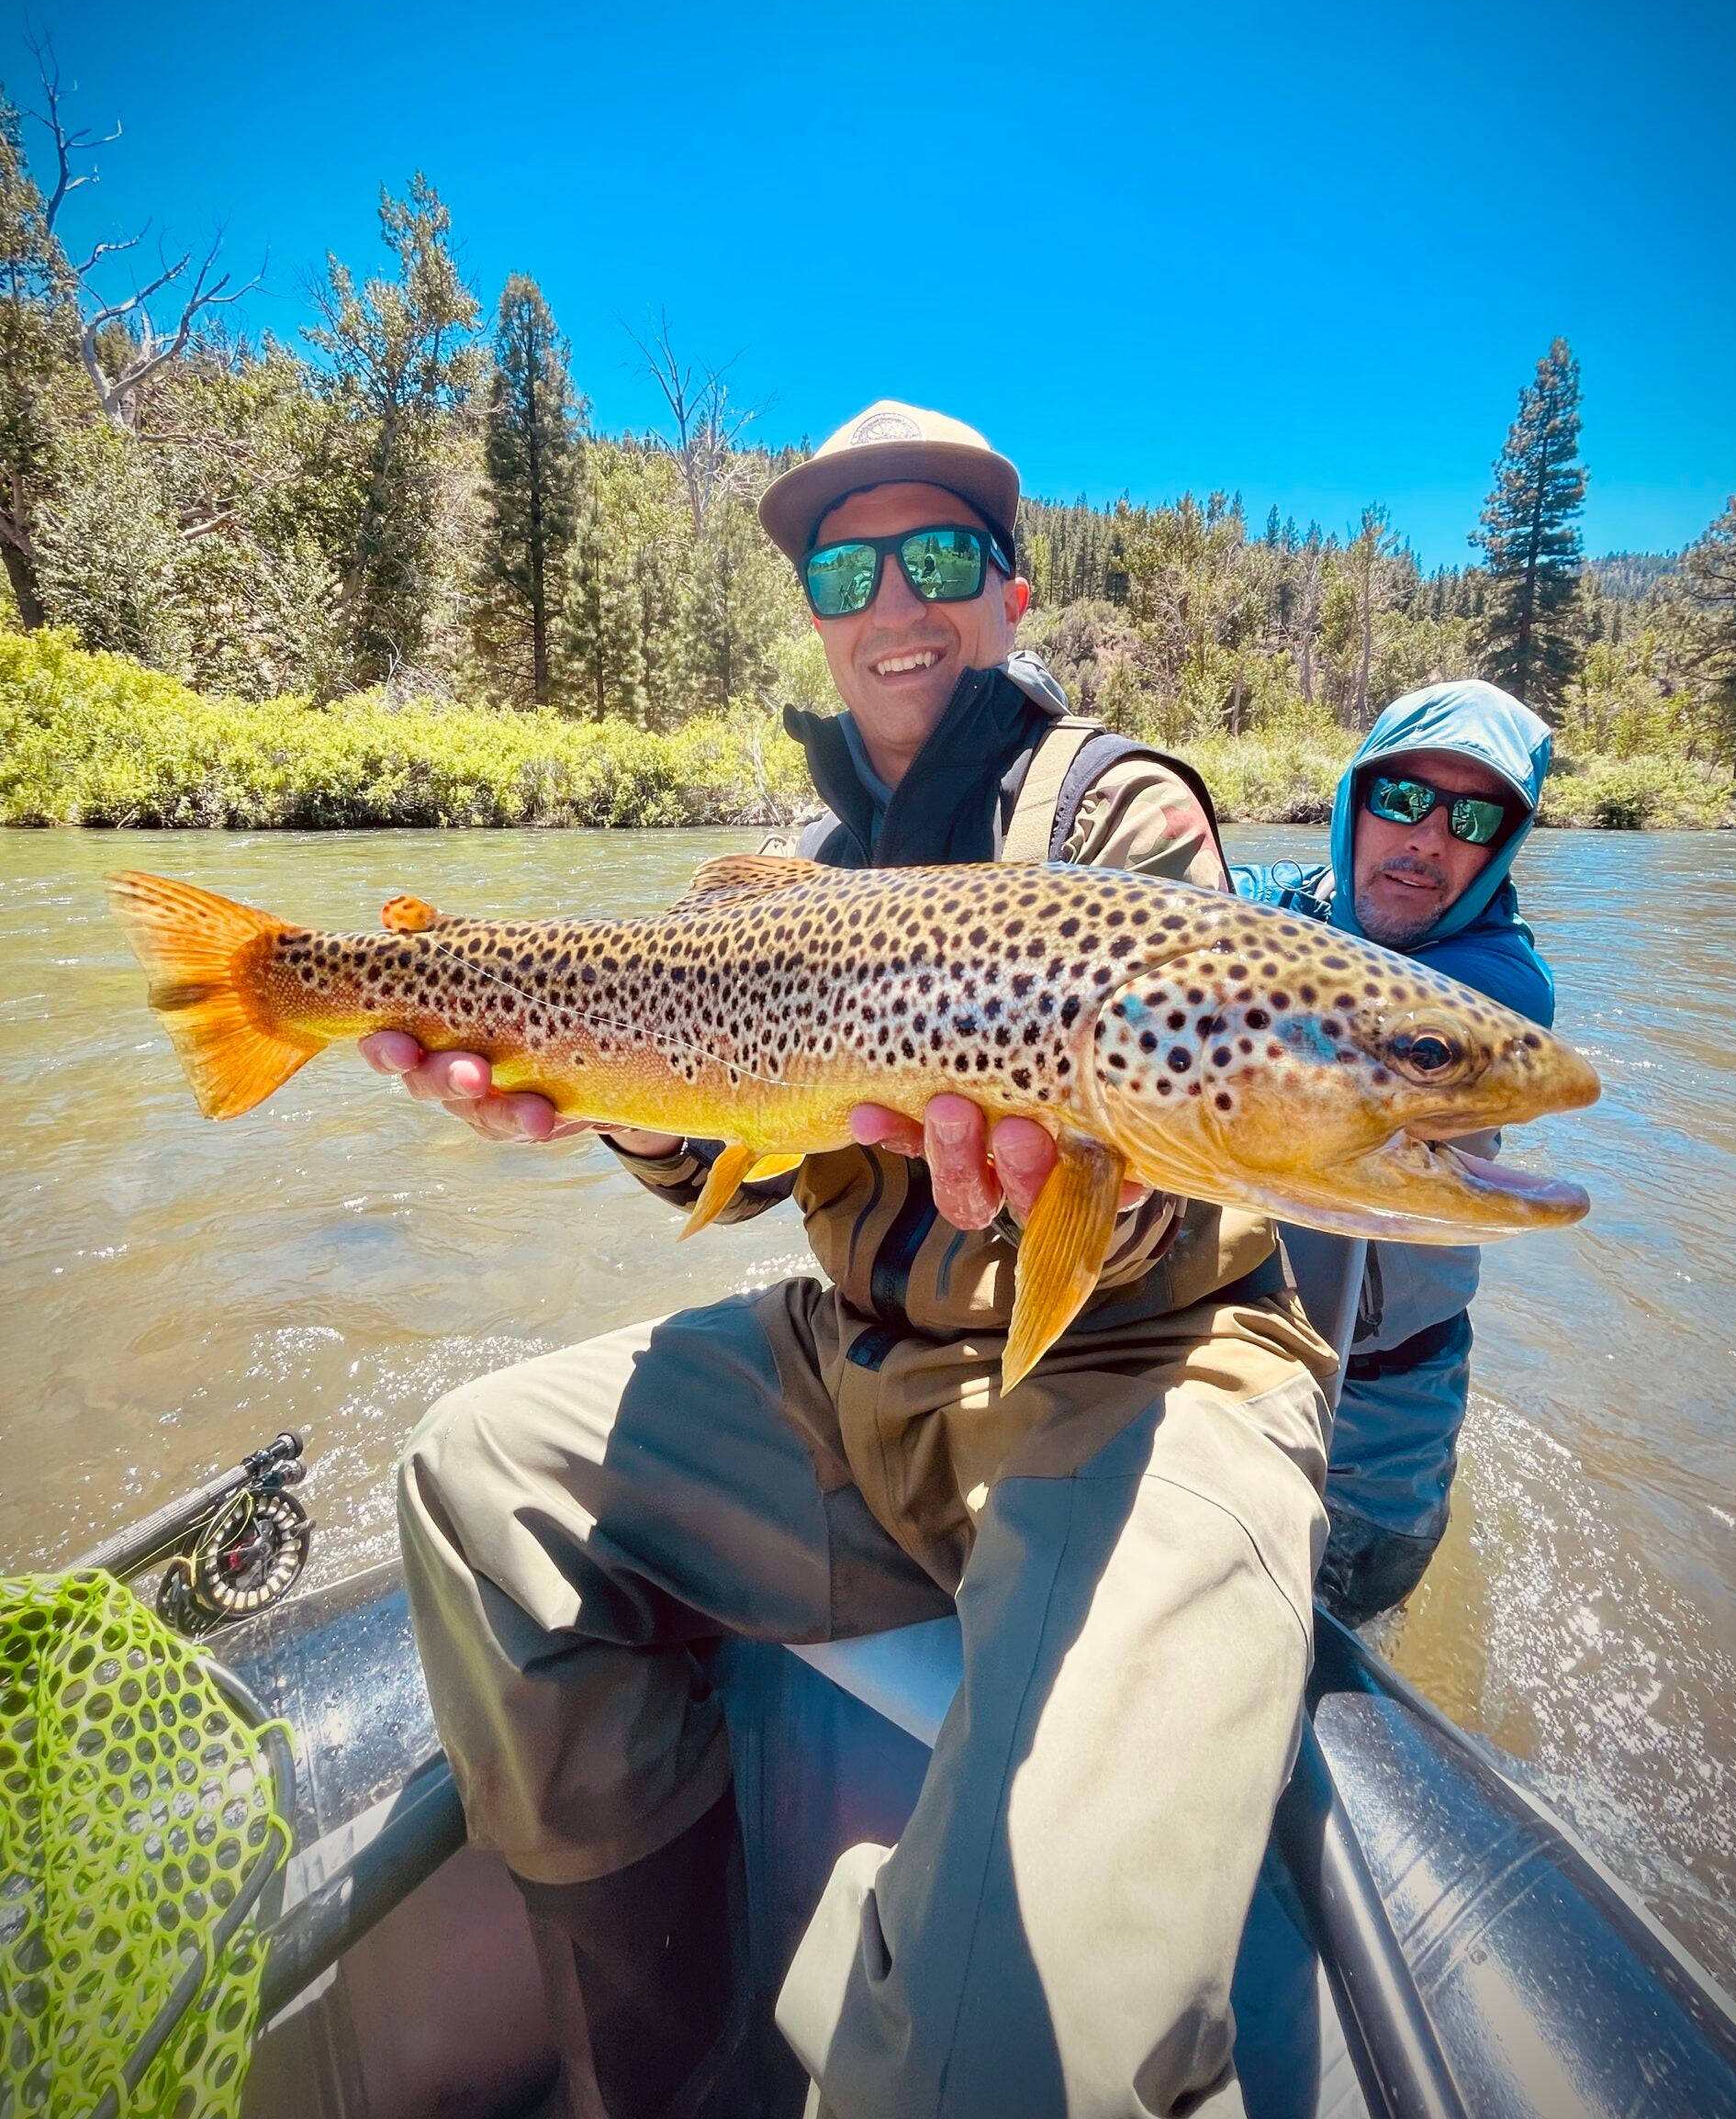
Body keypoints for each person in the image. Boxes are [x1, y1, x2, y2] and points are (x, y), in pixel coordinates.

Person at [373, 401, 1337, 2119]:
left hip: (1139, 1376)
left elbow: (1200, 1133)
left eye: (941, 555)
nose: (896, 597)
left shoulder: (1124, 825)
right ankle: (659, 2075)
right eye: (847, 566)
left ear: (1012, 591)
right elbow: (713, 1160)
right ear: (816, 610)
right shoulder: (784, 881)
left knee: (1017, 2038)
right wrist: (571, 1093)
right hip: (859, 1368)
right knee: (472, 1480)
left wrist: (1071, 1177)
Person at [1233, 678, 1555, 1626]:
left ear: (1502, 849)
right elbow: (1203, 901)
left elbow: (1326, 1003)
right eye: (1404, 798)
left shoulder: (1500, 990)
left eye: (1473, 817)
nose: (1428, 840)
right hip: (1238, 1348)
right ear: (1354, 801)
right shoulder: (1289, 902)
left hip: (1388, 1410)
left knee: (1350, 1631)